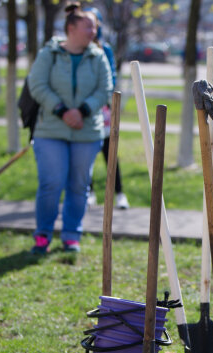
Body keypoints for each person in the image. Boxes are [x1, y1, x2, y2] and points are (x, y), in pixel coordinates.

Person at [27, 1, 112, 254]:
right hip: (51, 130)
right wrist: (62, 111)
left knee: (78, 185)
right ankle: (43, 234)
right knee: (51, 183)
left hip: (86, 131)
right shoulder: (49, 53)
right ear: (71, 28)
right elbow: (37, 85)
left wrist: (83, 111)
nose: (93, 32)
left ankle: (71, 235)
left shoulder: (98, 56)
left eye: (95, 28)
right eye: (89, 27)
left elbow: (105, 89)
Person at [84, 6, 129, 210]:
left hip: (102, 108)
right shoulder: (79, 48)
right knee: (84, 153)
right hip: (84, 109)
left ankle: (119, 192)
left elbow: (111, 77)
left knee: (109, 149)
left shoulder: (104, 49)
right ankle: (89, 190)